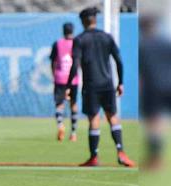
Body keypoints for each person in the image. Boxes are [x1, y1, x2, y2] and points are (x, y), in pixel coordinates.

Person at [67, 7, 135, 167]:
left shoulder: (80, 40)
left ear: (83, 21)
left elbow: (75, 64)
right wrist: (121, 83)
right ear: (95, 20)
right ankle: (121, 152)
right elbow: (119, 60)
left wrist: (70, 86)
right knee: (112, 117)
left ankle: (94, 157)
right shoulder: (107, 37)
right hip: (107, 84)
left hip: (91, 86)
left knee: (94, 118)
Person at [139, 15, 171, 170]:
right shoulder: (166, 43)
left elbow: (142, 72)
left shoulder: (143, 46)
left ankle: (155, 160)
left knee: (154, 123)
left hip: (153, 88)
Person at [49, 22, 79, 142]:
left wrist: (54, 75)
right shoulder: (76, 43)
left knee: (59, 104)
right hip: (73, 79)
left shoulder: (57, 44)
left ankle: (60, 125)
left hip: (60, 78)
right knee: (73, 105)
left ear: (63, 31)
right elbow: (78, 62)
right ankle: (73, 133)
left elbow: (53, 62)